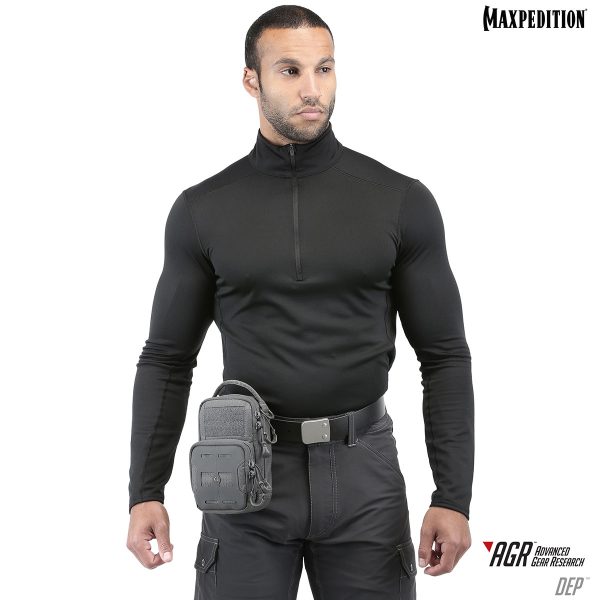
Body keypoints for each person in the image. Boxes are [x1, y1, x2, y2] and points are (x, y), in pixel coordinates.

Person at [126, 5, 474, 599]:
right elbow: (166, 358)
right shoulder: (202, 210)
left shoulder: (399, 201)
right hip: (244, 478)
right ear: (251, 80)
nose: (312, 89)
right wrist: (145, 492)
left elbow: (444, 356)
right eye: (290, 70)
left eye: (324, 68)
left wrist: (453, 496)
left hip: (365, 475)